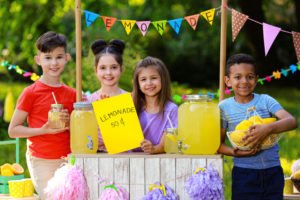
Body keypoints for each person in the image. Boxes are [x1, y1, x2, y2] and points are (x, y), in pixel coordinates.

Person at [218, 53, 298, 200]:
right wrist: (234, 152)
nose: (244, 81)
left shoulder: (265, 101)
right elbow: (218, 144)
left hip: (273, 172)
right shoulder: (224, 107)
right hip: (244, 174)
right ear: (227, 81)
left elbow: (291, 121)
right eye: (237, 77)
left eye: (250, 76)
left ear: (256, 79)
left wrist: (267, 129)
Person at [8, 31, 76, 200]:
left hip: (69, 159)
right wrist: (43, 130)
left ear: (67, 58)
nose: (54, 62)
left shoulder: (74, 94)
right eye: (48, 57)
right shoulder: (31, 93)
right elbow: (13, 130)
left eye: (59, 57)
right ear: (38, 60)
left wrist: (71, 123)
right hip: (41, 159)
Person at [132, 56, 178, 154]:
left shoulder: (171, 110)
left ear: (163, 79)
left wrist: (154, 149)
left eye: (153, 78)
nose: (149, 83)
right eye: (143, 79)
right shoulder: (131, 106)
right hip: (127, 160)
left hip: (158, 161)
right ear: (138, 84)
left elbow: (165, 145)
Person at [87, 39, 127, 151]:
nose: (108, 73)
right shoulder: (89, 101)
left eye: (114, 67)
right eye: (103, 68)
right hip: (96, 158)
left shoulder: (129, 99)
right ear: (96, 70)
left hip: (125, 158)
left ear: (121, 69)